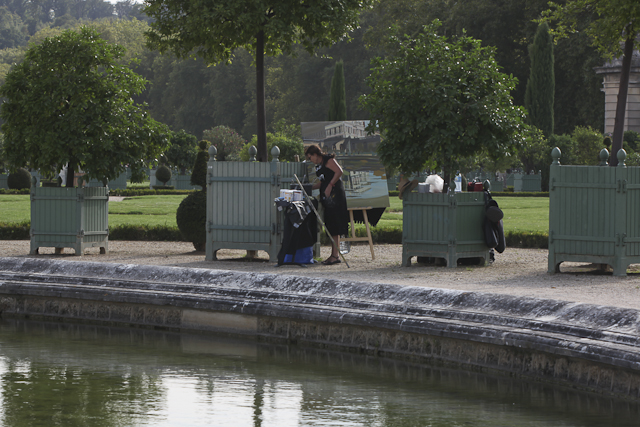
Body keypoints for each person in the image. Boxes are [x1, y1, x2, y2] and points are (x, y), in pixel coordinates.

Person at [305, 144, 349, 265]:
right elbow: (323, 180)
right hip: (327, 197)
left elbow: (339, 171)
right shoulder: (318, 166)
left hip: (335, 196)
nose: (310, 160)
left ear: (315, 154)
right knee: (330, 223)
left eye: (310, 157)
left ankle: (335, 256)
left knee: (335, 224)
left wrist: (330, 186)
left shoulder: (328, 160)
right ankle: (334, 254)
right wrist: (311, 187)